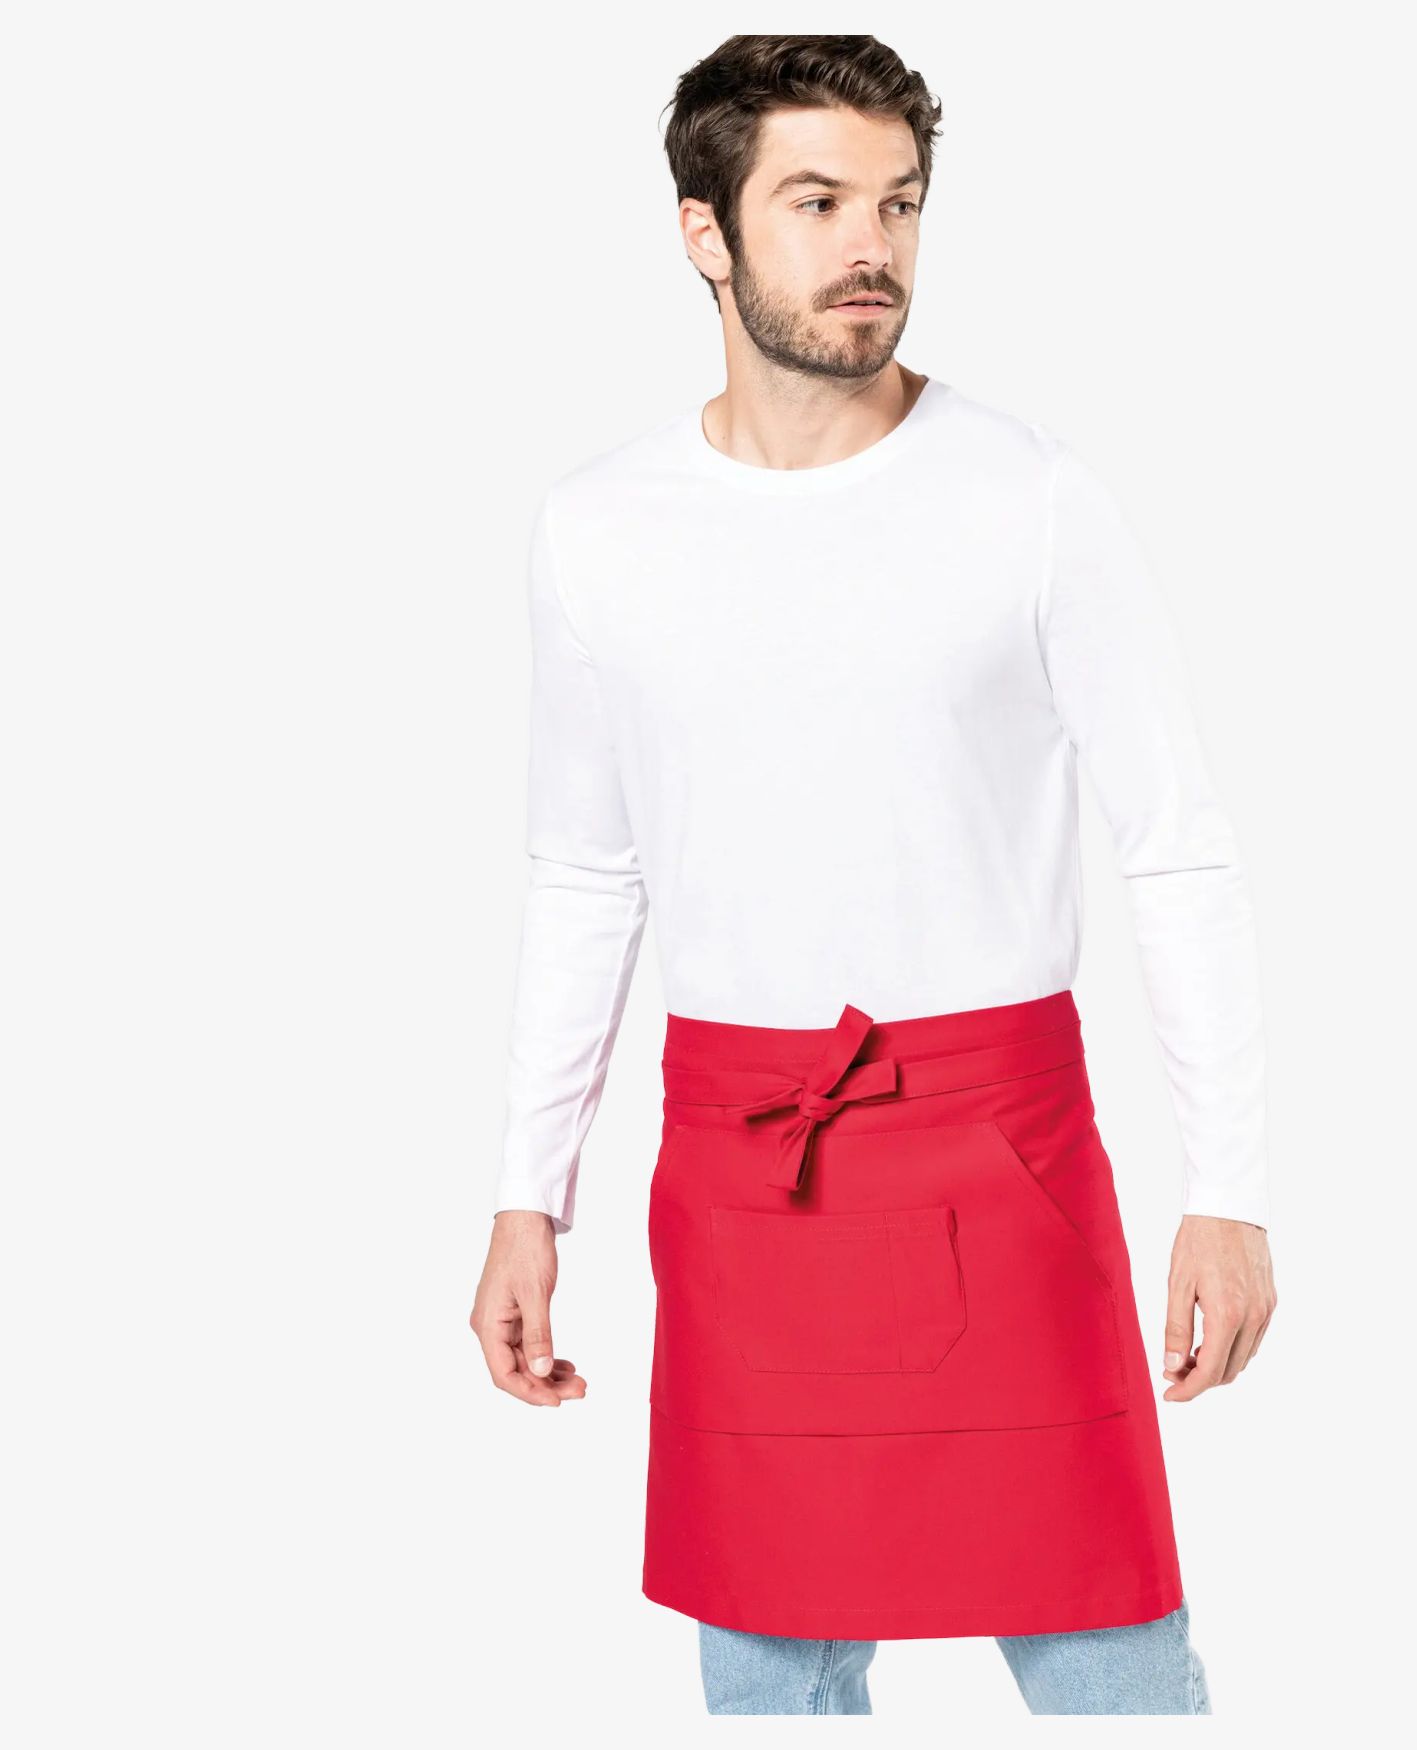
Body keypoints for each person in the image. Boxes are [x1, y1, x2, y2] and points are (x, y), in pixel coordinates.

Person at [469, 33, 1275, 1717]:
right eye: (817, 200)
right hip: (741, 1168)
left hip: (1001, 1151)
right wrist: (526, 1192)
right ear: (703, 232)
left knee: (1111, 1657)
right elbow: (584, 872)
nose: (871, 246)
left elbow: (1173, 842)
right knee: (767, 1670)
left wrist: (1230, 1183)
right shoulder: (596, 527)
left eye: (898, 203)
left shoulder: (1029, 496)